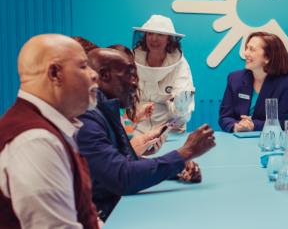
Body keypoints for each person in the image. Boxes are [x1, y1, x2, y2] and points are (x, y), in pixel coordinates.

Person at [76, 48, 216, 221]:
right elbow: (122, 177)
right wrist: (186, 152)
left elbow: (122, 160)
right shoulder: (87, 119)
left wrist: (177, 168)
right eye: (129, 75)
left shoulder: (104, 111)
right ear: (104, 75)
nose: (136, 83)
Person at [0, 34, 100, 228]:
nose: (93, 74)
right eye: (83, 66)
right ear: (54, 74)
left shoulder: (49, 128)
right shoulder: (35, 141)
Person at [218, 32, 288, 132]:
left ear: (267, 57)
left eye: (252, 49)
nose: (245, 53)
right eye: (246, 48)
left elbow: (281, 122)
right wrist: (236, 127)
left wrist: (253, 126)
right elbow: (224, 117)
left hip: (268, 141)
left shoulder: (286, 82)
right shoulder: (234, 78)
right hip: (236, 140)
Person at [132, 15, 195, 135]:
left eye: (160, 34)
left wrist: (180, 109)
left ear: (169, 39)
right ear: (145, 36)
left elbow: (184, 116)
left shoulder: (180, 65)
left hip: (169, 132)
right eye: (150, 33)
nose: (154, 39)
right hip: (137, 131)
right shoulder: (132, 60)